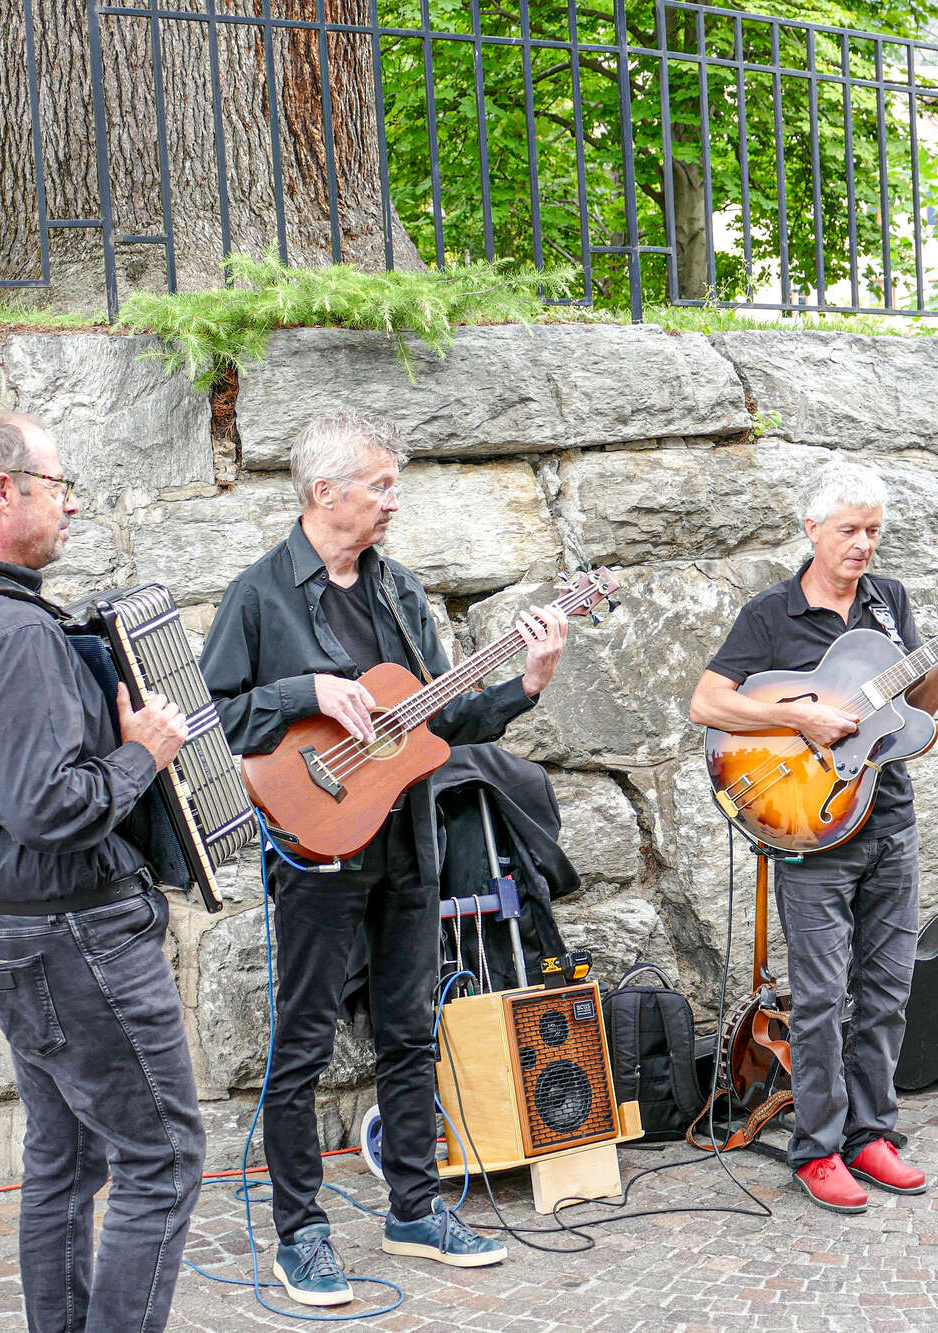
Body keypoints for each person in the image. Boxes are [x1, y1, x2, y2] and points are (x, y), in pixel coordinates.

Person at [200, 412, 569, 1304]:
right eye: (380, 485)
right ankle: (301, 1233)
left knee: (409, 1029)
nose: (392, 501)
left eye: (393, 485)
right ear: (325, 492)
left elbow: (438, 721)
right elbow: (213, 716)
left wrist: (525, 684)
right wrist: (306, 690)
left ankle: (414, 1207)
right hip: (316, 846)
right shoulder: (260, 595)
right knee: (303, 1041)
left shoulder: (399, 591)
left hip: (409, 838)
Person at [0, 409, 203, 1333]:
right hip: (71, 933)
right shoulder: (13, 633)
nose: (70, 505)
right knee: (163, 1159)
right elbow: (49, 808)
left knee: (65, 1159)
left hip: (3, 924)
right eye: (59, 485)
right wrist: (144, 752)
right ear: (4, 490)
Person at [687, 461, 938, 1213]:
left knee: (888, 986)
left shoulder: (889, 603)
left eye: (873, 531)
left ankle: (871, 1133)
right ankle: (817, 1148)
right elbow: (708, 703)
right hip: (810, 828)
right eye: (849, 530)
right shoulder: (771, 614)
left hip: (888, 816)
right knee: (821, 997)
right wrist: (798, 715)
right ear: (813, 529)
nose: (863, 544)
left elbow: (917, 712)